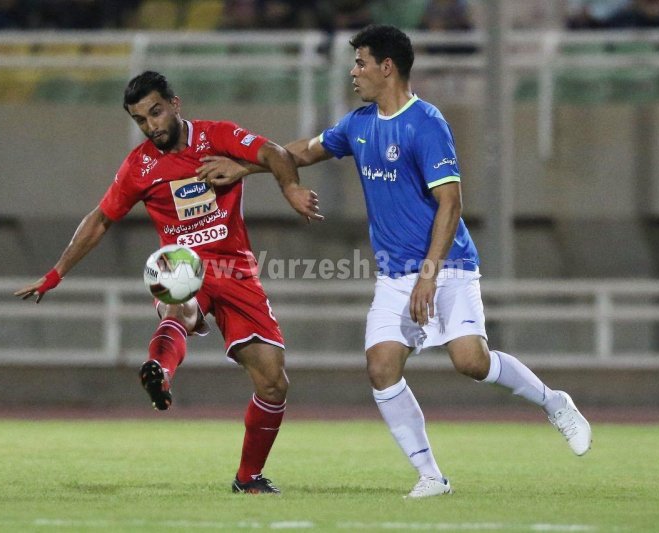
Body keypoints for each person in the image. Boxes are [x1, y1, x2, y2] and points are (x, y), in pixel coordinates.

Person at [196, 24, 592, 499]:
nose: (354, 71)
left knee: (470, 361)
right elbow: (302, 151)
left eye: (360, 62)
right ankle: (431, 476)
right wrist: (244, 165)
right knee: (382, 367)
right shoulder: (359, 124)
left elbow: (451, 203)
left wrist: (428, 276)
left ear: (387, 67)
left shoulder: (426, 123)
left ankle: (554, 403)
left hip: (446, 266)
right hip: (394, 275)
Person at [15, 71, 322, 495]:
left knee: (273, 382)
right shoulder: (139, 165)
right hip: (182, 263)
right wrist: (56, 273)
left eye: (155, 113)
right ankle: (160, 369)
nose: (151, 125)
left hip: (235, 269)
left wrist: (286, 188)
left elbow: (273, 152)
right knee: (180, 300)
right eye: (140, 120)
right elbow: (101, 218)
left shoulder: (217, 136)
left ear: (175, 104)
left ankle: (248, 478)